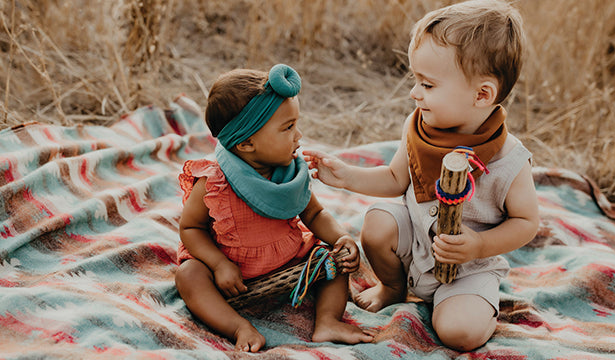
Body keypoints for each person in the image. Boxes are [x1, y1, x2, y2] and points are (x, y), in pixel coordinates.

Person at [303, 0, 539, 351]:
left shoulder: (510, 160)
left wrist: (479, 246)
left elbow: (527, 222)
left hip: (468, 266)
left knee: (460, 334)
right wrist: (346, 177)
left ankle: (477, 307)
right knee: (378, 221)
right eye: (416, 80)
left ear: (482, 94)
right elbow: (397, 180)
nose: (414, 93)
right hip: (415, 243)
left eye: (427, 85)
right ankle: (394, 287)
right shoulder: (419, 128)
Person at [175, 64, 374, 352]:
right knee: (189, 275)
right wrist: (218, 264)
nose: (299, 135)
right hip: (232, 272)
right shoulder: (214, 181)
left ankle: (328, 321)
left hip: (288, 259)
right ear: (246, 143)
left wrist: (341, 238)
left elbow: (315, 214)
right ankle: (239, 326)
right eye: (288, 127)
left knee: (334, 257)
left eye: (296, 123)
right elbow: (190, 228)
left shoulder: (290, 172)